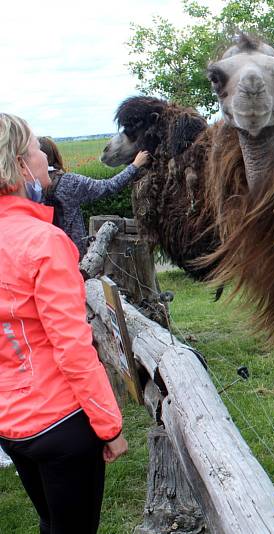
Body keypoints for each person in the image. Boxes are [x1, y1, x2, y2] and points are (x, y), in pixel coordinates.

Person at [0, 113, 127, 534]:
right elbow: (73, 347)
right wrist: (109, 426)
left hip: (10, 424)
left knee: (49, 519)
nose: (45, 159)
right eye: (38, 150)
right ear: (20, 166)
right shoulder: (45, 242)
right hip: (60, 421)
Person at [38, 137, 149, 258]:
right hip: (72, 255)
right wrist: (135, 165)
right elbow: (108, 187)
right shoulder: (69, 182)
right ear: (54, 155)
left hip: (43, 254)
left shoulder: (27, 186)